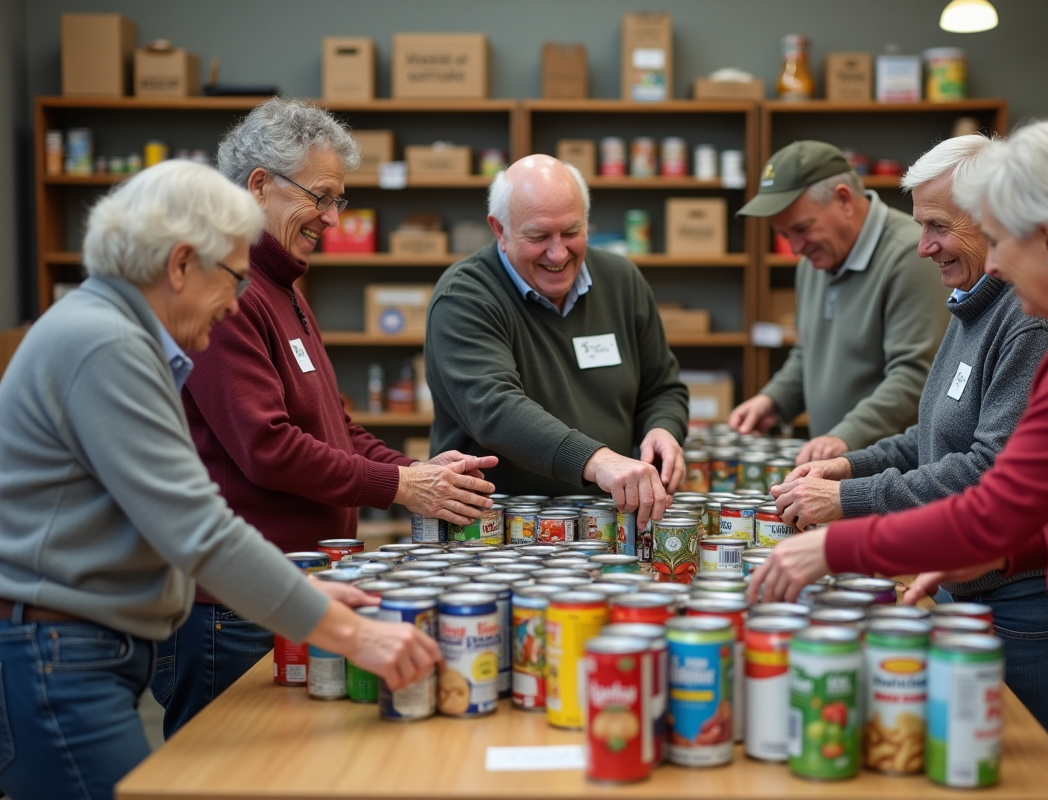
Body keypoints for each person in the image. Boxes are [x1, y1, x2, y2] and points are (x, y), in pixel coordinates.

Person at [748, 119, 1048, 800]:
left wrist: (832, 548)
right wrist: (1004, 556)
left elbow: (993, 502)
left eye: (1003, 239)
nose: (992, 263)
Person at [0, 160, 441, 800]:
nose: (235, 302)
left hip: (82, 645)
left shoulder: (117, 336)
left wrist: (302, 595)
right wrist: (350, 634)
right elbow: (197, 529)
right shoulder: (106, 344)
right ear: (180, 264)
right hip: (58, 650)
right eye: (232, 278)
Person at [151, 98, 495, 738]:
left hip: (292, 588)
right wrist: (398, 488)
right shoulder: (231, 291)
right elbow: (268, 446)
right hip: (232, 609)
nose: (334, 219)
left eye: (341, 201)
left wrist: (417, 472)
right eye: (323, 197)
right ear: (259, 186)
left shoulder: (283, 289)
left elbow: (337, 431)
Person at [771, 135, 1048, 780]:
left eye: (937, 227)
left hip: (1025, 613)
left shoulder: (1027, 320)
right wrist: (852, 464)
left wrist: (849, 501)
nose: (923, 247)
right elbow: (933, 437)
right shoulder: (973, 302)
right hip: (967, 591)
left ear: (998, 218)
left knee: (1042, 784)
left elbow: (988, 471)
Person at [424, 155, 690, 527]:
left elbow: (662, 387)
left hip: (611, 521)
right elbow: (495, 410)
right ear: (499, 230)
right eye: (538, 236)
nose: (558, 253)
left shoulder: (621, 279)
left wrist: (663, 427)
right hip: (493, 527)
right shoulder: (464, 297)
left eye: (571, 232)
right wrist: (597, 461)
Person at [728, 141, 949, 464]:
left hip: (891, 474)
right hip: (836, 470)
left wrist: (845, 435)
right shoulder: (814, 260)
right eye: (785, 234)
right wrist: (772, 400)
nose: (796, 247)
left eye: (801, 229)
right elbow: (810, 351)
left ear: (844, 199)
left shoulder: (910, 255)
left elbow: (917, 375)